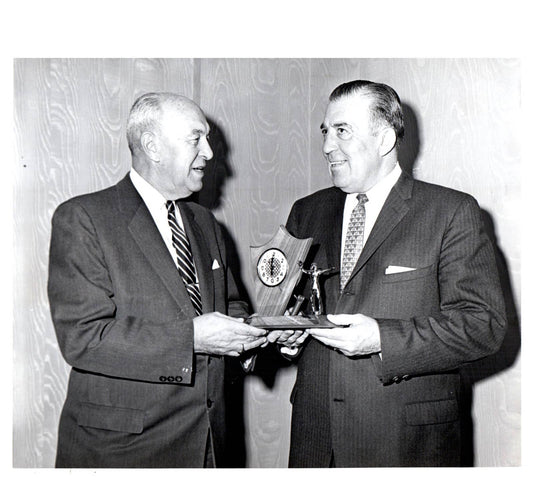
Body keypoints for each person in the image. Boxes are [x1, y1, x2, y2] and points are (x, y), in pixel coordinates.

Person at [283, 80, 507, 467]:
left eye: (342, 131)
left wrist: (382, 339)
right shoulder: (306, 212)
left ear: (385, 138)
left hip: (405, 444)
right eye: (325, 132)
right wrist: (287, 335)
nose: (326, 146)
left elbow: (482, 325)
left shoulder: (450, 212)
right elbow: (298, 308)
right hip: (316, 439)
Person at [48, 92, 270, 468]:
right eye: (196, 138)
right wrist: (193, 337)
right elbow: (83, 338)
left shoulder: (204, 224)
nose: (210, 153)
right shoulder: (85, 218)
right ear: (152, 146)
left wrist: (259, 333)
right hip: (125, 453)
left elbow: (229, 306)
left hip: (208, 444)